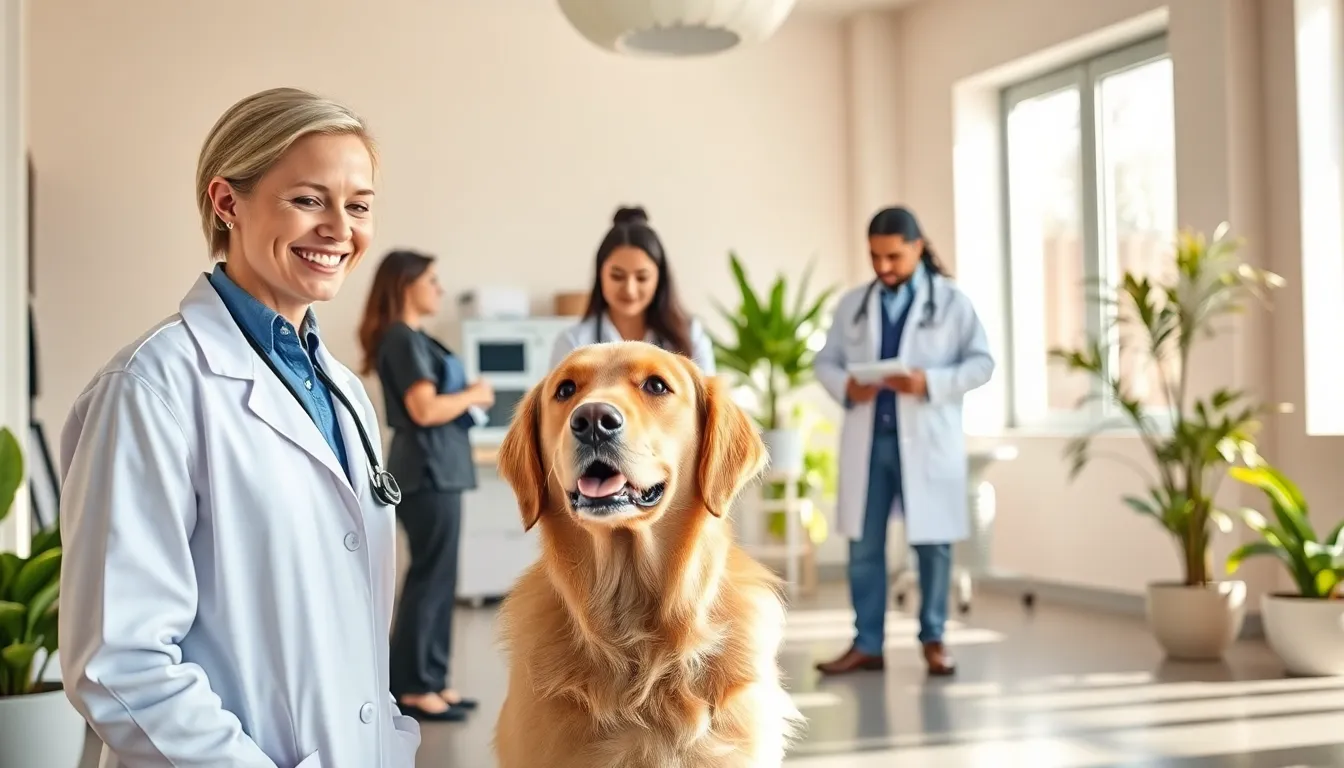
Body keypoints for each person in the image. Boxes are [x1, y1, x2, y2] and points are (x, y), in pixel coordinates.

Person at [58, 87, 420, 767]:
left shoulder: (342, 393)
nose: (341, 229)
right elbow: (120, 661)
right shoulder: (150, 387)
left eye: (359, 205)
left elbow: (352, 631)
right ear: (227, 203)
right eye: (309, 199)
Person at [812, 206, 994, 677]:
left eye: (893, 256)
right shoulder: (854, 304)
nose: (883, 267)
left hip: (927, 441)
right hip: (869, 443)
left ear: (917, 247)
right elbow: (825, 362)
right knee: (864, 546)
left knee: (933, 546)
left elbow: (982, 364)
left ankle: (934, 638)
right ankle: (866, 643)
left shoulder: (952, 303)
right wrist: (848, 387)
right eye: (875, 257)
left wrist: (929, 382)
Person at [357, 249, 494, 722]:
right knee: (429, 578)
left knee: (440, 576)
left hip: (441, 468)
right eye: (431, 280)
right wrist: (474, 395)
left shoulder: (417, 339)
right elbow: (424, 410)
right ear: (405, 284)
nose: (439, 289)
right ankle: (413, 687)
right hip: (427, 470)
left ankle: (433, 679)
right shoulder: (400, 339)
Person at [550, 206, 716, 372]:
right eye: (617, 276)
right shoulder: (572, 342)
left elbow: (707, 395)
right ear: (600, 275)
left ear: (660, 278)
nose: (630, 289)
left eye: (642, 277)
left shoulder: (689, 335)